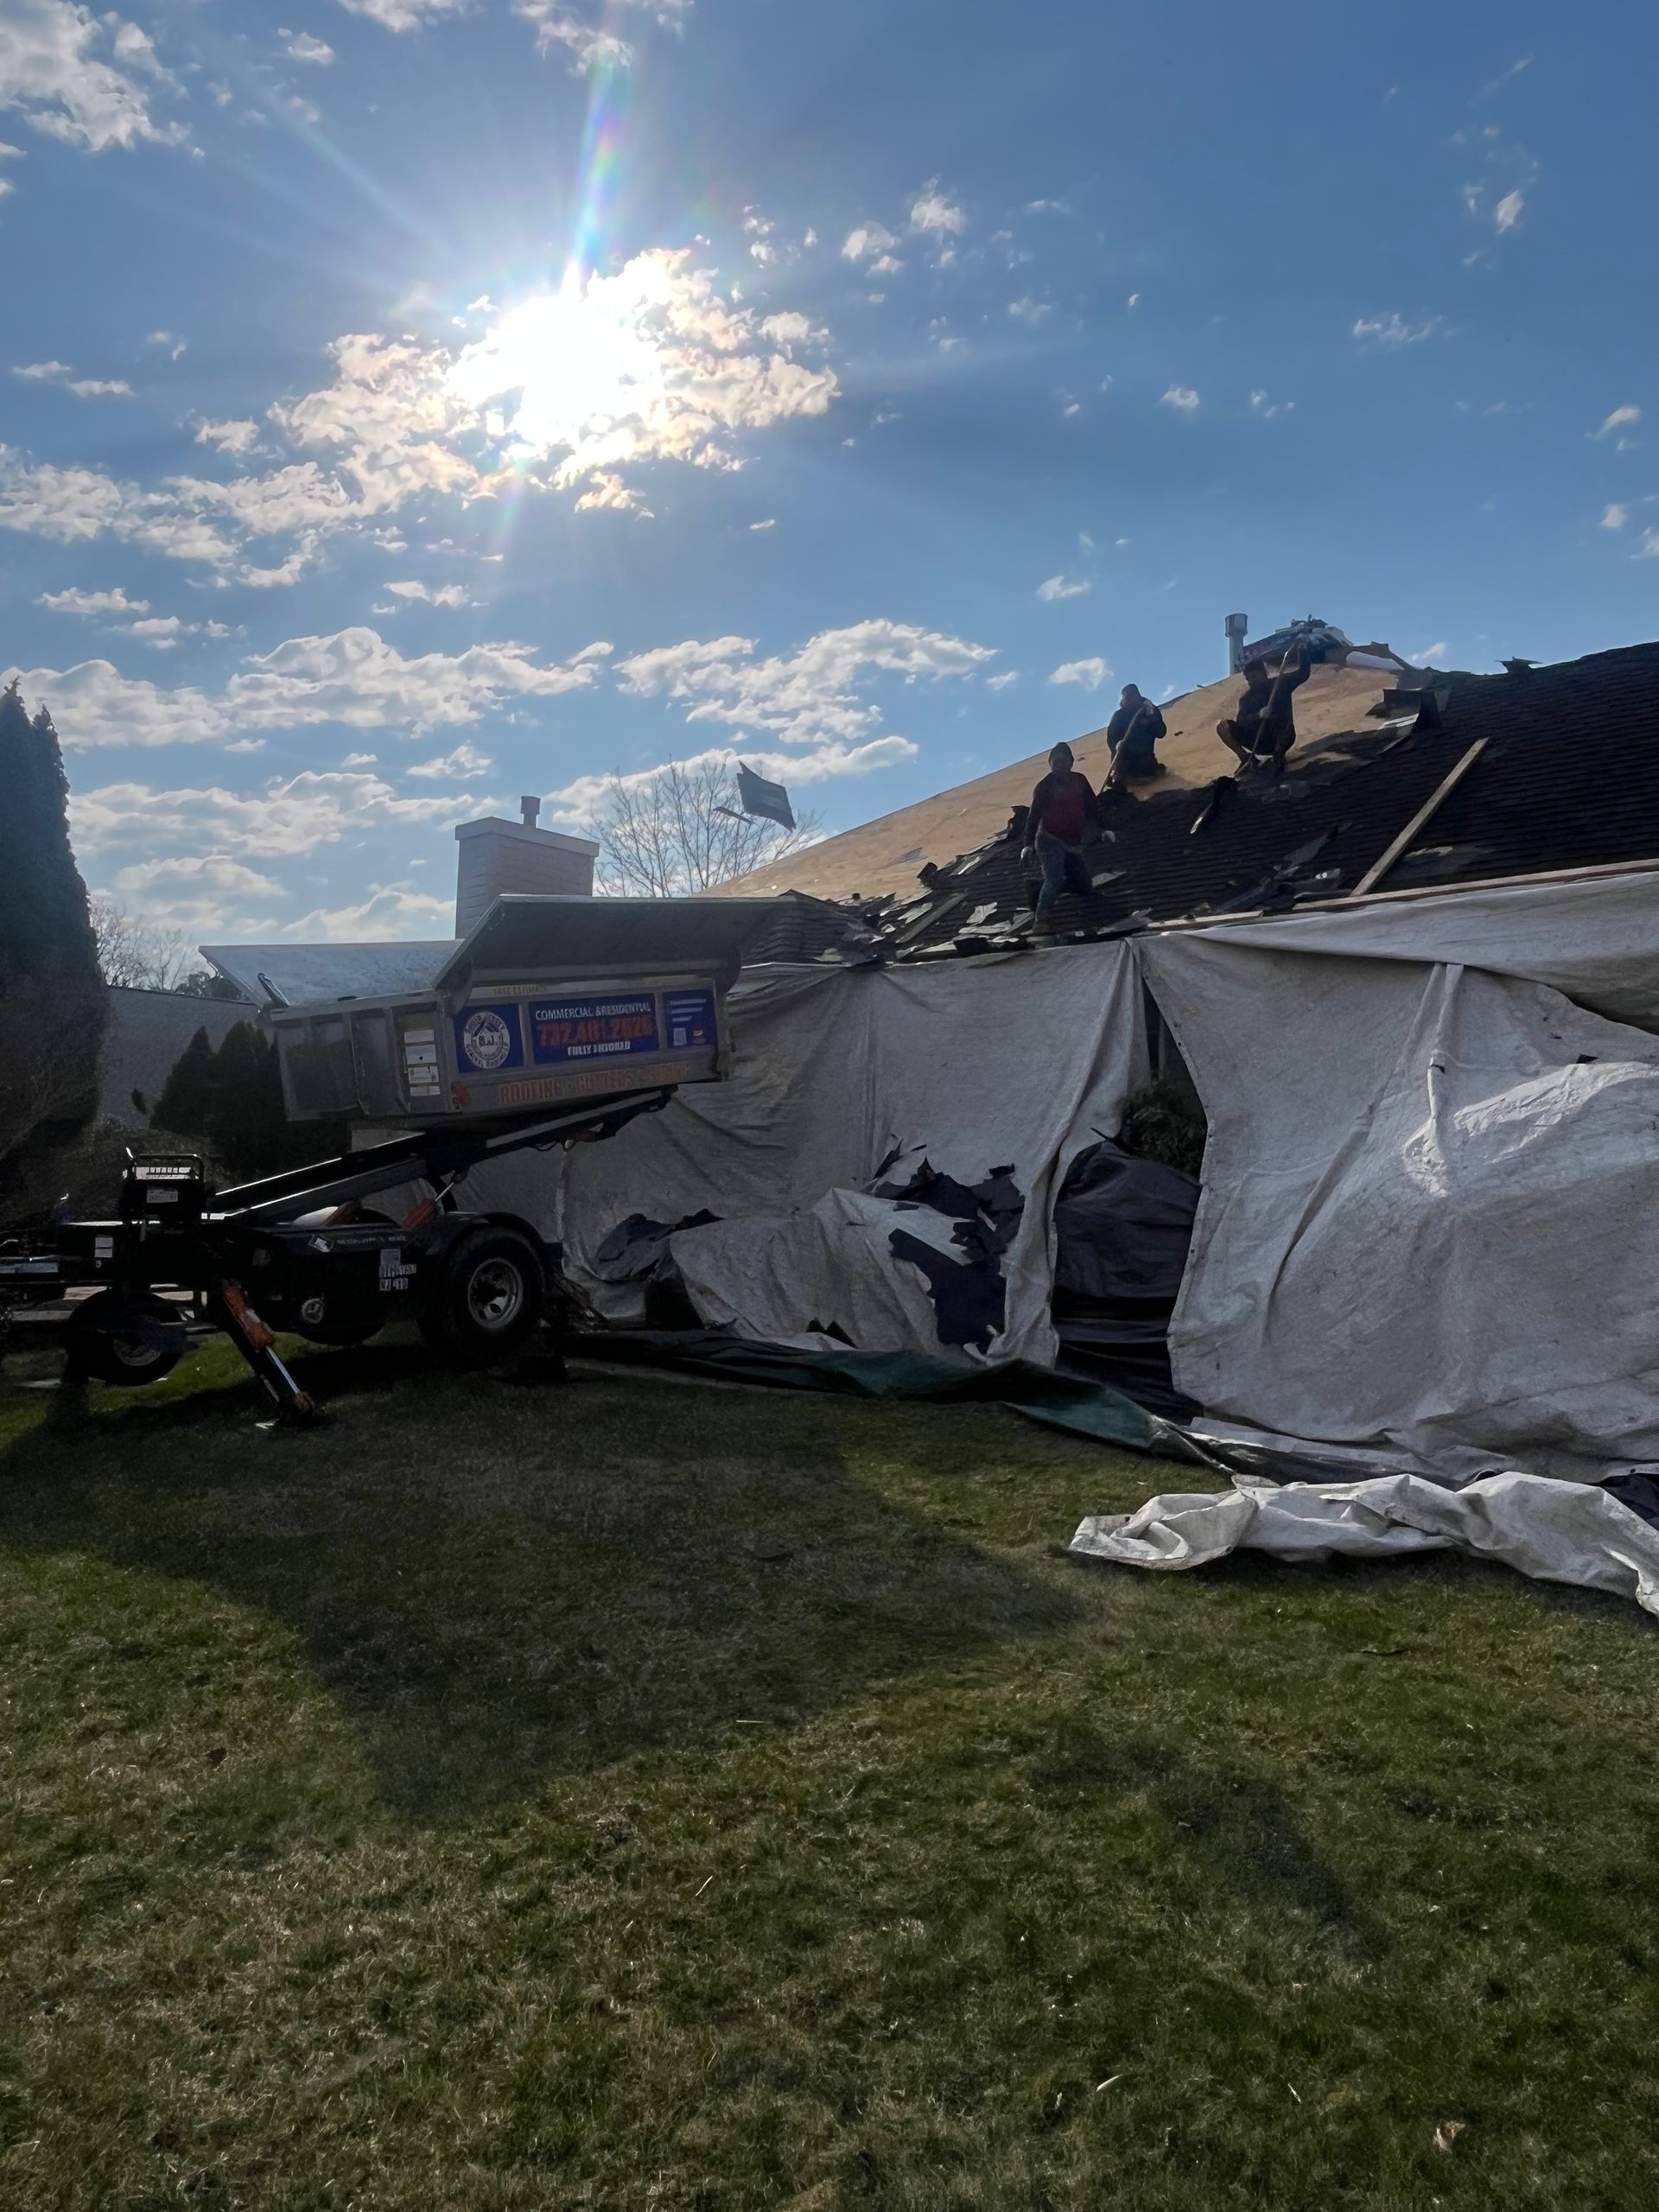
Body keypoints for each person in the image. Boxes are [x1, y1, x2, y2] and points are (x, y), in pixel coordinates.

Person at [1021, 741, 1101, 926]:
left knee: (1084, 886)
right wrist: (1027, 844)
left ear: (1071, 762)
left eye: (1063, 761)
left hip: (1072, 843)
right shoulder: (1045, 786)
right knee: (1054, 877)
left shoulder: (1080, 781)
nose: (1060, 766)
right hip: (1049, 839)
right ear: (1051, 765)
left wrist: (1104, 827)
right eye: (1056, 762)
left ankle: (1037, 889)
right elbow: (1033, 817)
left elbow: (1092, 807)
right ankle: (1041, 918)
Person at [1217, 645, 1312, 779]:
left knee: (1284, 729)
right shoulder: (1247, 698)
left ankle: (1278, 758)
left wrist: (1302, 651)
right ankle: (1246, 759)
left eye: (1254, 677)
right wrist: (1258, 715)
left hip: (1281, 737)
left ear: (1263, 673)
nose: (1252, 682)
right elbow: (1242, 720)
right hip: (1258, 740)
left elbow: (1303, 674)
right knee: (1223, 726)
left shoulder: (1280, 684)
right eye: (1249, 679)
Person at [1104, 683, 1166, 783]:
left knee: (1150, 769)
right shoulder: (1119, 716)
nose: (1130, 701)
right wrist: (1118, 744)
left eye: (1132, 697)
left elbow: (1161, 732)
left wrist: (1152, 717)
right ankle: (1118, 775)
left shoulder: (1148, 711)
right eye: (1127, 698)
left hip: (1146, 762)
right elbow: (1111, 740)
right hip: (1126, 765)